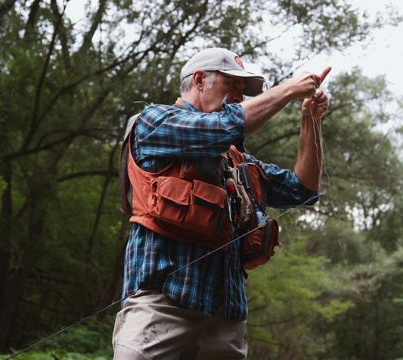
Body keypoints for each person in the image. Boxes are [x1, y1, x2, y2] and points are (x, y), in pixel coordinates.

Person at [113, 47, 331, 359]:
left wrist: (311, 120)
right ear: (199, 80)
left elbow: (304, 190)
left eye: (245, 90)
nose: (241, 97)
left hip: (225, 322)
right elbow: (225, 127)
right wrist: (288, 91)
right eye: (234, 85)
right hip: (161, 309)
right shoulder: (154, 122)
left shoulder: (237, 161)